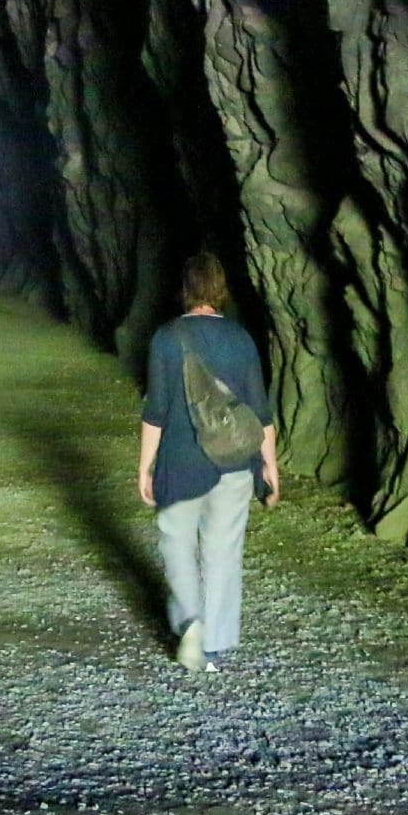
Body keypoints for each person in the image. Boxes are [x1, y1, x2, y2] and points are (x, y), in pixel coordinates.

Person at [137, 250, 279, 671]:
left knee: (176, 543)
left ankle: (190, 623)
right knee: (223, 550)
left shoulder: (166, 338)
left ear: (184, 290)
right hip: (233, 462)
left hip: (179, 464)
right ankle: (214, 644)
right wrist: (269, 466)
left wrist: (145, 466)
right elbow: (260, 411)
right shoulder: (240, 339)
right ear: (221, 290)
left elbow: (156, 411)